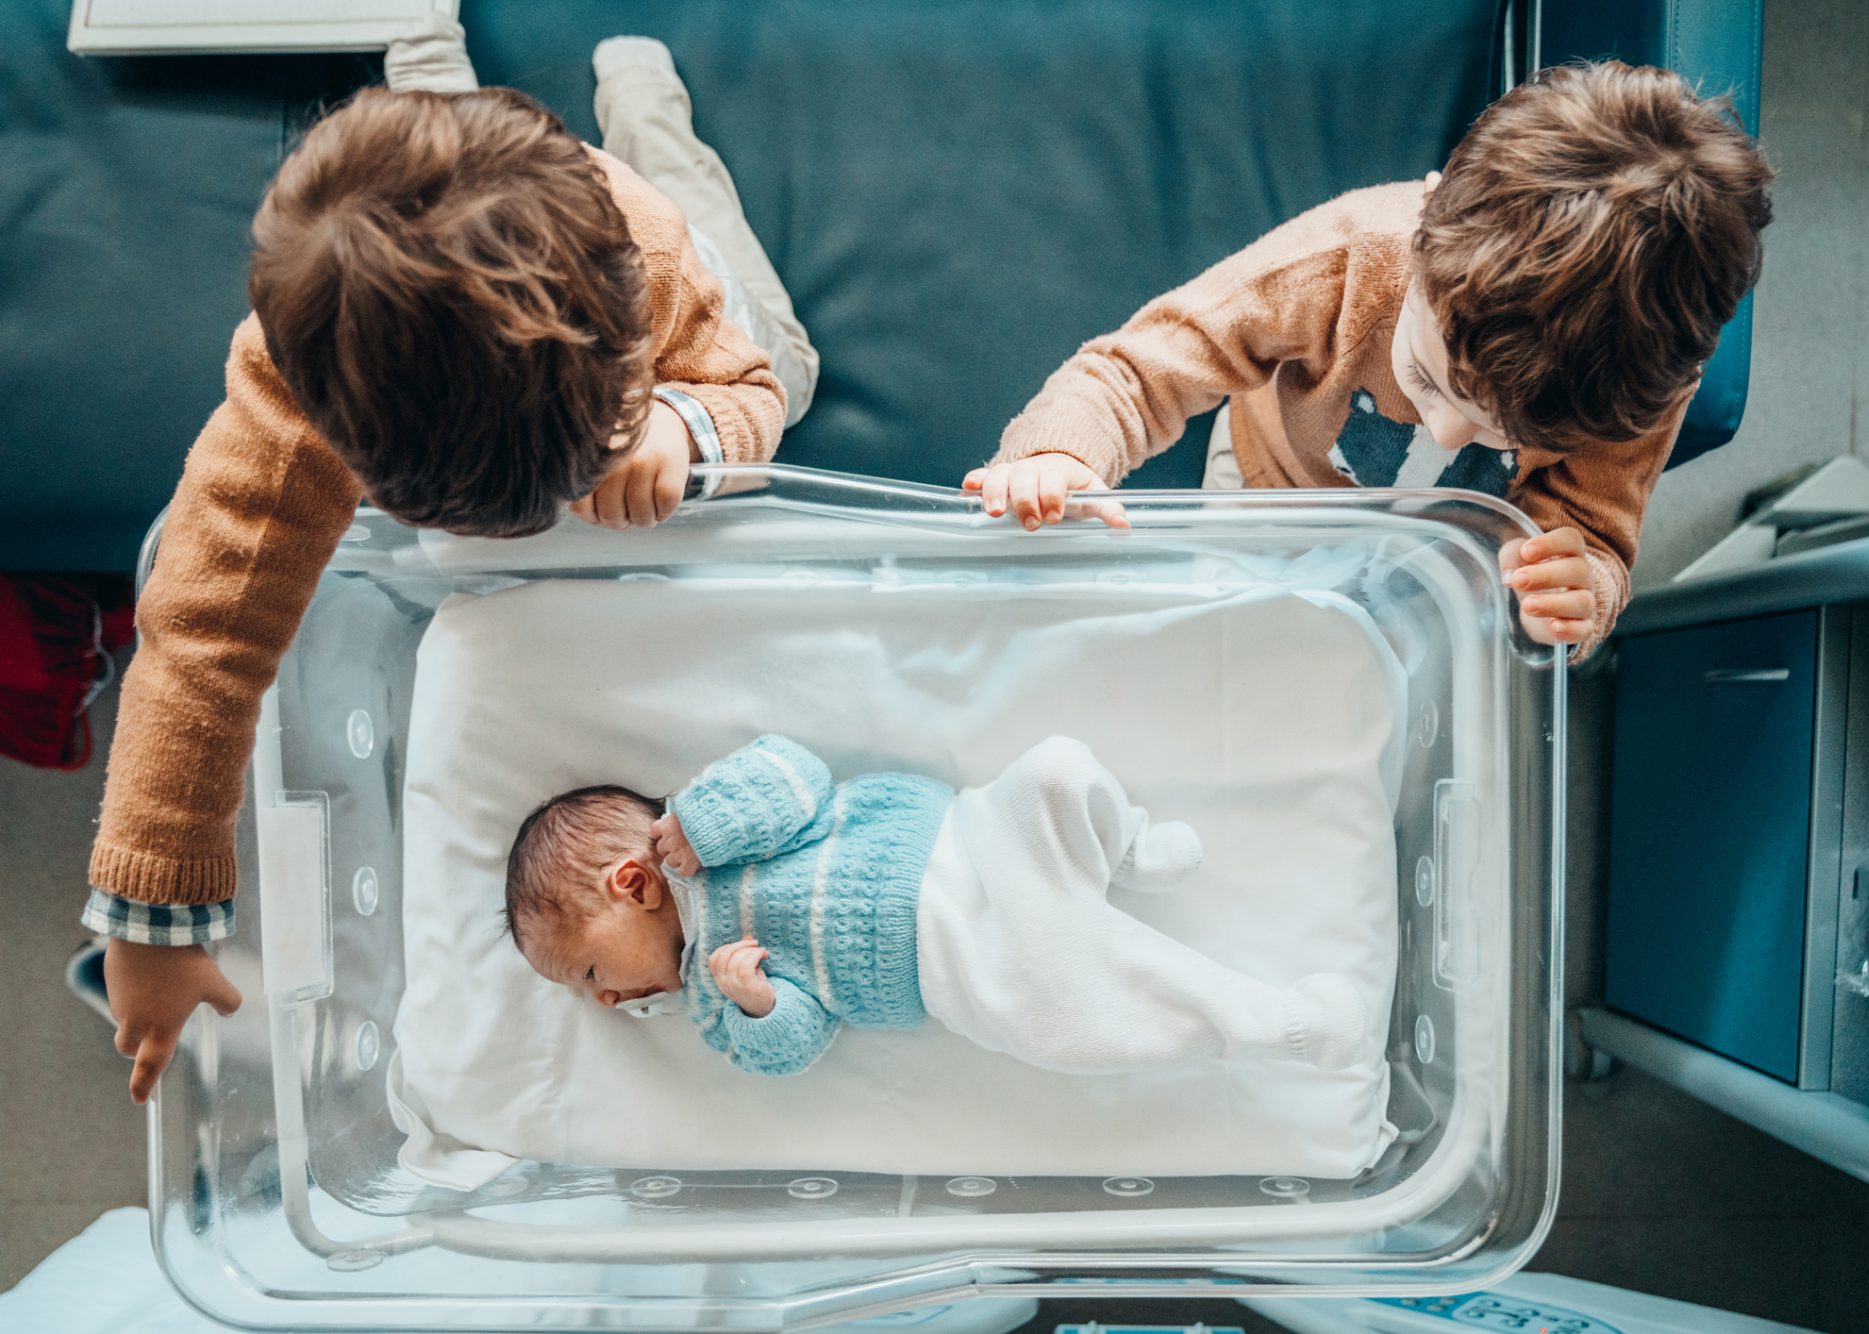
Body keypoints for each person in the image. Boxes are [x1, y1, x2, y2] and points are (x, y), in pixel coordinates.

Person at [88, 17, 818, 1104]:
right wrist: (149, 918)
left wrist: (680, 427)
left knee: (791, 361)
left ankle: (644, 110)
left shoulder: (647, 270)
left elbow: (747, 383)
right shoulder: (290, 405)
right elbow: (200, 635)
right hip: (490, 213)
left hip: (635, 229)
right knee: (421, 168)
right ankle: (425, 71)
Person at [964, 61, 1773, 655]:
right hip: (1265, 499)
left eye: (1502, 436)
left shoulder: (1633, 380)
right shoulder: (1347, 262)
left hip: (1448, 574)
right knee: (1211, 664)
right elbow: (1135, 370)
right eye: (1426, 382)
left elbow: (1595, 532)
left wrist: (1579, 591)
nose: (1448, 436)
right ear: (1427, 221)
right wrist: (1059, 455)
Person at [503, 735, 1372, 1077]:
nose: (608, 1000)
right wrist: (759, 1003)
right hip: (959, 970)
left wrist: (703, 821)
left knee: (1055, 770)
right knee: (1077, 1023)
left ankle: (1124, 841)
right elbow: (795, 1049)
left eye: (587, 972)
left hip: (969, 840)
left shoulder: (704, 828)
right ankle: (1278, 1023)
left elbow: (794, 770)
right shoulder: (708, 1002)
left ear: (633, 883)